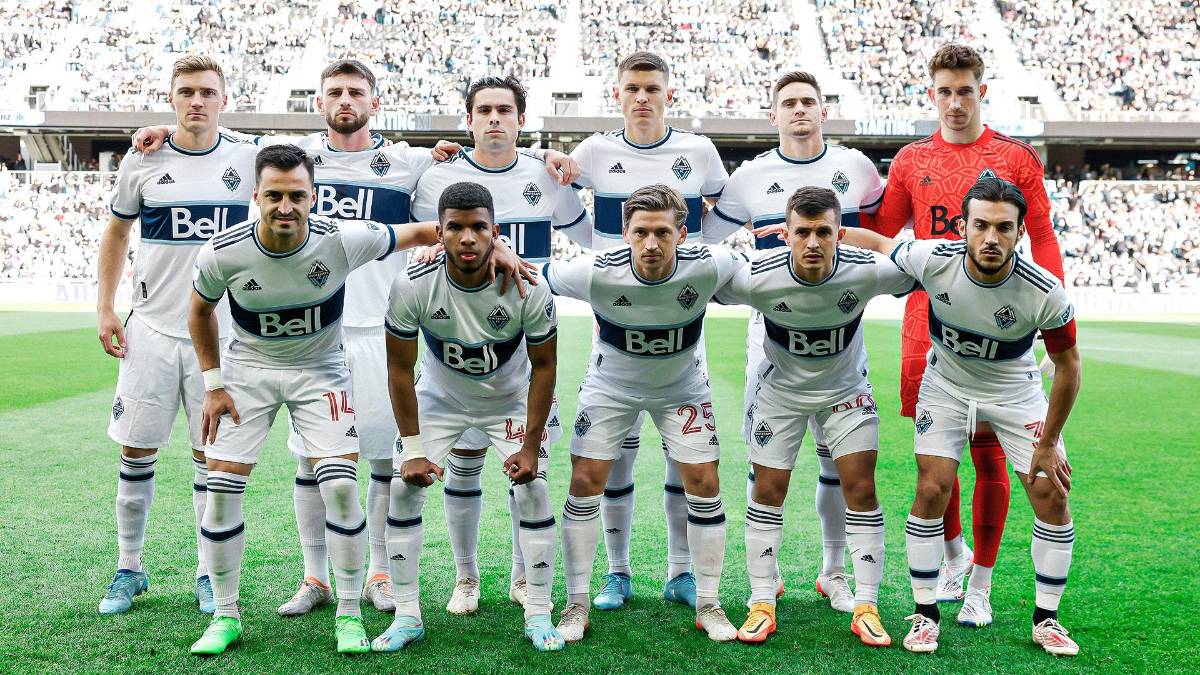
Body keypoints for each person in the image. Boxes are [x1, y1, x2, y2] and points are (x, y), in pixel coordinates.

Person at [130, 62, 579, 618]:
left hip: (378, 329)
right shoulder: (287, 155)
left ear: (374, 101)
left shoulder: (411, 162)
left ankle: (381, 574)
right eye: (335, 92)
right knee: (309, 462)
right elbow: (207, 135)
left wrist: (527, 195)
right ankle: (315, 576)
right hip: (318, 339)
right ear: (318, 102)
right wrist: (158, 133)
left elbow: (467, 201)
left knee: (384, 462)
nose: (345, 100)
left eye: (355, 92)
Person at [186, 144, 527, 655]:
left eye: (297, 196)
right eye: (274, 195)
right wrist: (213, 382)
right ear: (255, 196)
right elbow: (199, 312)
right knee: (221, 490)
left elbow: (426, 232)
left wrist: (495, 247)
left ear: (314, 197)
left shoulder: (342, 240)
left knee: (342, 488)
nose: (286, 207)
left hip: (320, 372)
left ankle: (347, 613)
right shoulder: (222, 251)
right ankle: (226, 615)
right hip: (248, 372)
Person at [864, 43, 1066, 626]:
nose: (955, 103)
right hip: (928, 320)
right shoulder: (909, 159)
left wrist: (1050, 313)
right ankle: (952, 559)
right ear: (933, 94)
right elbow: (882, 233)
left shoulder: (1017, 158)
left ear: (983, 91)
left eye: (966, 90)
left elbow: (1045, 236)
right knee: (936, 463)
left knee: (992, 457)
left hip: (1004, 320)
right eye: (945, 92)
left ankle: (981, 580)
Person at [845, 177, 1081, 656]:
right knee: (932, 488)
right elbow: (886, 245)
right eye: (981, 226)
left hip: (1015, 394)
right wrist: (833, 229)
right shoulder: (933, 259)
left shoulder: (1044, 291)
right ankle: (925, 614)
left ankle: (1047, 619)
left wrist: (1048, 440)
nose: (991, 238)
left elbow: (1070, 367)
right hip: (946, 388)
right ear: (963, 226)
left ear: (1019, 234)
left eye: (1003, 228)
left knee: (1050, 495)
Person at [703, 70, 886, 613]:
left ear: (823, 110)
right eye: (789, 103)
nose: (800, 110)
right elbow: (708, 238)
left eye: (809, 101)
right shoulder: (750, 177)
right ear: (773, 114)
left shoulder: (857, 169)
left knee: (840, 461)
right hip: (772, 333)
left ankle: (834, 572)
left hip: (839, 337)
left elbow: (887, 234)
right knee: (765, 466)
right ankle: (769, 575)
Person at [410, 74, 590, 616]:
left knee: (525, 468)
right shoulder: (439, 176)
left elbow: (590, 237)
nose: (493, 119)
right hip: (458, 344)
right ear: (468, 120)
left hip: (522, 345)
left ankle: (520, 574)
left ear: (520, 119)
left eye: (504, 110)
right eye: (483, 110)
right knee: (462, 469)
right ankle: (466, 577)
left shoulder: (547, 174)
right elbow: (425, 242)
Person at [714, 187, 916, 646]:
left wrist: (881, 242)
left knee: (861, 487)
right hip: (780, 395)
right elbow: (699, 279)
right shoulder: (756, 276)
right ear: (784, 234)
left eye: (823, 232)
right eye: (801, 232)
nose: (812, 242)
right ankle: (762, 600)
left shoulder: (864, 272)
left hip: (845, 394)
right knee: (768, 490)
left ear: (839, 235)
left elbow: (921, 267)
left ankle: (867, 604)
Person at [542, 184, 744, 643]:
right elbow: (534, 275)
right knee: (585, 482)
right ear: (624, 234)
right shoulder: (594, 270)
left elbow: (768, 279)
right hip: (611, 387)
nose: (651, 244)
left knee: (705, 483)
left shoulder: (712, 264)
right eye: (640, 233)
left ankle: (709, 603)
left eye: (662, 233)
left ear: (683, 234)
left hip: (682, 388)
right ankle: (576, 602)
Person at [567, 51, 728, 610]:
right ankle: (617, 572)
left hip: (677, 317)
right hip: (616, 314)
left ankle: (682, 572)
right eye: (632, 87)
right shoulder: (593, 151)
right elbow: (562, 204)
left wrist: (693, 257)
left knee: (685, 461)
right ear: (617, 93)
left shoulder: (698, 151)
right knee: (619, 456)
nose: (642, 96)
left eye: (652, 88)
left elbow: (726, 212)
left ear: (668, 93)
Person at [95, 55, 256, 616]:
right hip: (154, 331)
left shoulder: (249, 157)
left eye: (207, 92)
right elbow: (115, 235)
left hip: (223, 337)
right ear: (171, 97)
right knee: (137, 452)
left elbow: (325, 168)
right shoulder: (143, 160)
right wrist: (106, 308)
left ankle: (208, 573)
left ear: (224, 98)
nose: (196, 101)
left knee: (211, 459)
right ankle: (129, 567)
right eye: (186, 91)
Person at [374, 181, 563, 653]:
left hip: (510, 399)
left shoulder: (528, 286)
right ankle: (407, 615)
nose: (467, 238)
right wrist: (414, 450)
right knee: (402, 484)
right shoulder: (413, 284)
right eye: (454, 228)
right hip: (442, 398)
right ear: (439, 233)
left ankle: (539, 612)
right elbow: (399, 369)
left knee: (534, 488)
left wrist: (531, 445)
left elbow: (545, 368)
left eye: (479, 227)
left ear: (494, 232)